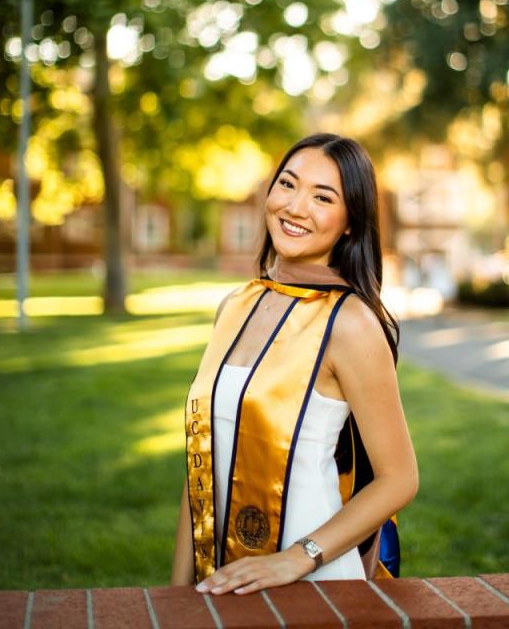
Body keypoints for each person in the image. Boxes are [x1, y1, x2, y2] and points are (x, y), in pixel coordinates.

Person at [170, 133, 418, 595]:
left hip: (314, 581)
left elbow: (399, 478)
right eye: (288, 184)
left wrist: (295, 559)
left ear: (349, 222)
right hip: (224, 575)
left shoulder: (350, 323)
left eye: (323, 197)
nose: (295, 206)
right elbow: (202, 460)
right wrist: (177, 594)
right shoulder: (236, 306)